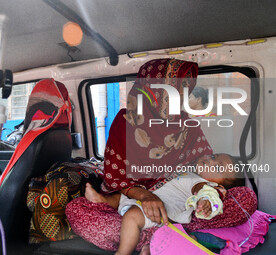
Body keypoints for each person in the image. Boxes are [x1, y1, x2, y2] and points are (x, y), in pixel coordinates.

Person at [65, 59, 257, 254]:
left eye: (184, 91)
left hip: (180, 205)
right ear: (151, 89)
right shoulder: (125, 123)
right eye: (173, 91)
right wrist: (145, 196)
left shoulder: (187, 126)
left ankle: (161, 233)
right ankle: (169, 236)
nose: (180, 98)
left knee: (245, 198)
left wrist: (207, 199)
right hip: (131, 202)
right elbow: (117, 179)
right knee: (78, 211)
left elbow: (205, 174)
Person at [84, 153, 241, 255]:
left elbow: (204, 193)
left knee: (132, 217)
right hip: (146, 198)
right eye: (213, 157)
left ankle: (123, 252)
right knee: (120, 196)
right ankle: (103, 201)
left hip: (162, 211)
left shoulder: (203, 183)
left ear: (221, 185)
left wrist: (204, 201)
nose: (210, 161)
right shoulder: (186, 169)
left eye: (218, 167)